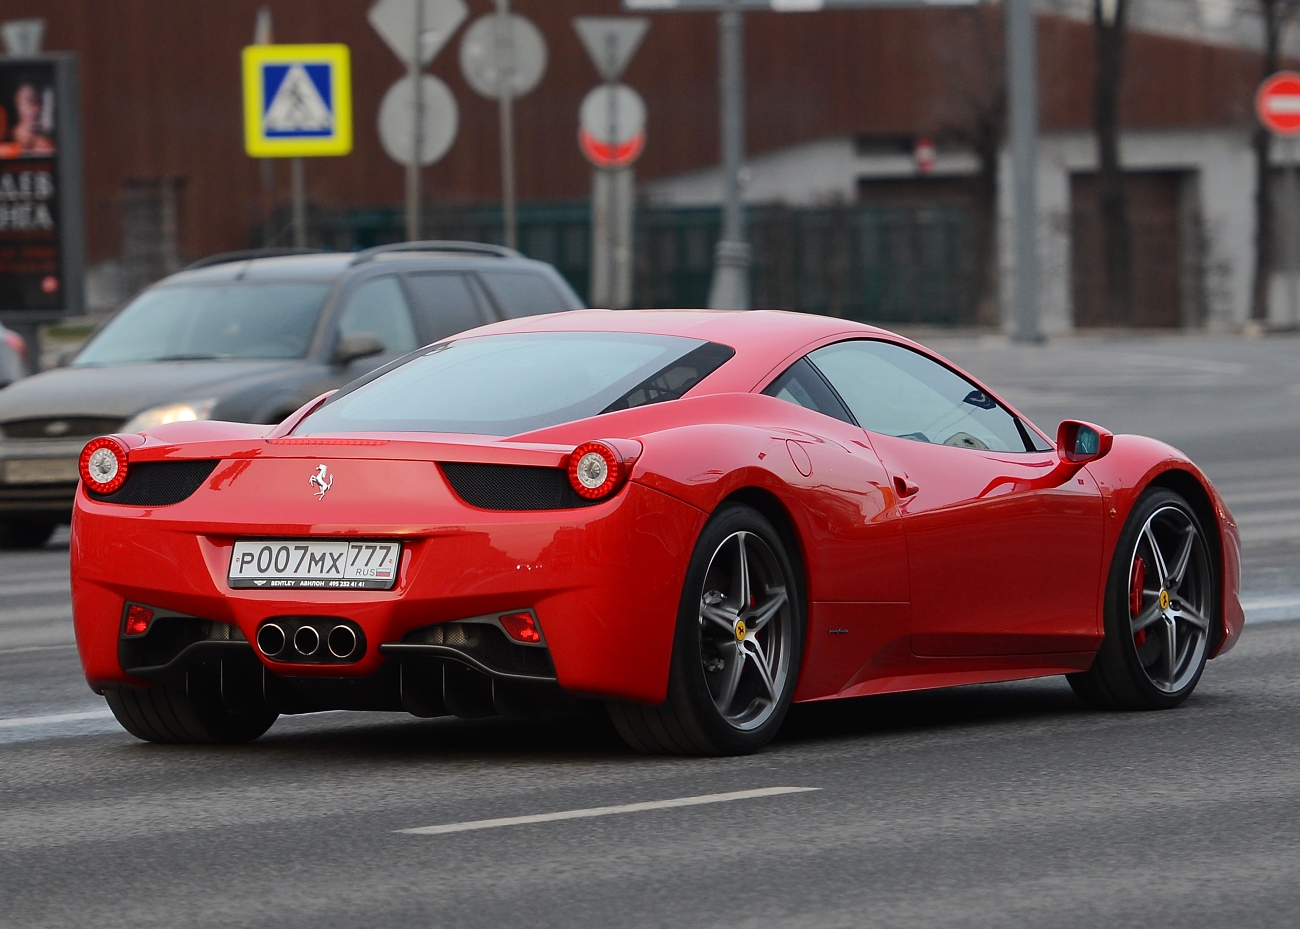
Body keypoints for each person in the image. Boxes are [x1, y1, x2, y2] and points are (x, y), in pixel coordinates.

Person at [9, 82, 54, 155]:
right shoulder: (7, 141)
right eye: (30, 101)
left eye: (39, 102)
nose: (37, 109)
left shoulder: (47, 144)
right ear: (17, 103)